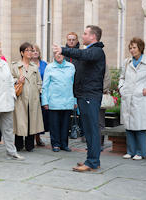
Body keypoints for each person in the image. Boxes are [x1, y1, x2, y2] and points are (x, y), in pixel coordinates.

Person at [53, 25, 106, 172]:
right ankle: (92, 160)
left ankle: (92, 162)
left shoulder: (96, 51)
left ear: (93, 36)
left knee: (91, 129)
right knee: (88, 130)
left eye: (85, 33)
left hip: (90, 95)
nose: (82, 36)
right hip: (84, 95)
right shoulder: (91, 51)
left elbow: (82, 55)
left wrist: (63, 50)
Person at [120, 37, 146, 160]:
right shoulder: (126, 62)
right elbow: (121, 78)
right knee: (129, 126)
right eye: (130, 48)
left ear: (140, 48)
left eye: (134, 47)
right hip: (128, 98)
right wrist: (122, 88)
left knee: (140, 128)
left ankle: (140, 152)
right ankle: (130, 151)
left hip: (141, 99)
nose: (132, 50)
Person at [11, 42, 44, 152]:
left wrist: (38, 91)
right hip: (20, 97)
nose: (31, 52)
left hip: (33, 98)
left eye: (32, 50)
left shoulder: (34, 67)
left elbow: (39, 82)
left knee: (32, 120)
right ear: (22, 52)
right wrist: (17, 80)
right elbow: (9, 79)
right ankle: (18, 144)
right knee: (20, 121)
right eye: (28, 50)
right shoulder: (15, 66)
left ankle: (30, 144)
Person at [41, 52, 76, 152]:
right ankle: (55, 144)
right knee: (54, 125)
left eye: (60, 53)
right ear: (53, 56)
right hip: (54, 101)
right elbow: (45, 86)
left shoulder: (71, 67)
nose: (58, 55)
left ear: (64, 55)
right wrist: (45, 101)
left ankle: (64, 144)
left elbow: (74, 85)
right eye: (56, 54)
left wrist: (75, 100)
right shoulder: (49, 67)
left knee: (66, 125)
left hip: (68, 100)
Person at [31, 44, 48, 147]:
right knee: (31, 116)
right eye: (33, 51)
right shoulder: (27, 64)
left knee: (40, 117)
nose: (35, 52)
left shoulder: (44, 64)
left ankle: (38, 137)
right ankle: (30, 138)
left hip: (42, 94)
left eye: (37, 50)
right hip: (31, 93)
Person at [99, 64, 111, 151]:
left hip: (100, 95)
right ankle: (92, 143)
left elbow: (107, 80)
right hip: (89, 96)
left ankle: (100, 143)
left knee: (100, 122)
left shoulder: (104, 65)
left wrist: (99, 90)